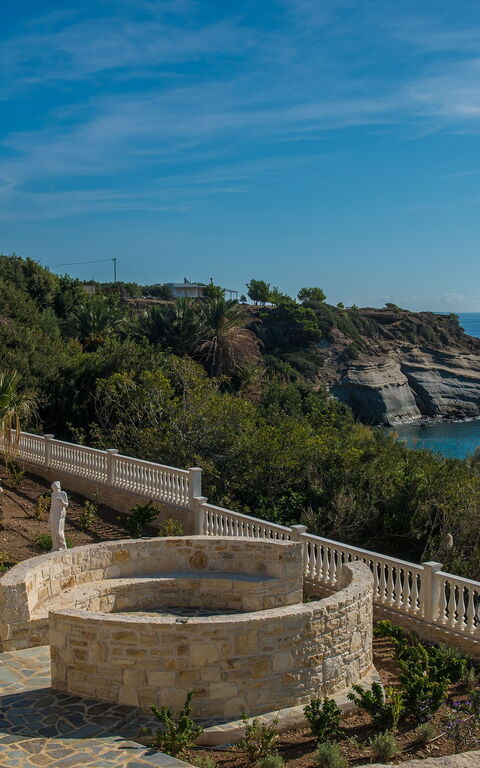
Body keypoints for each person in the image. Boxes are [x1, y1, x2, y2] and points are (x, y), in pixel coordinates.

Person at [48, 481, 69, 551]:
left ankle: (63, 546)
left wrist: (61, 501)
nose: (54, 489)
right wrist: (50, 517)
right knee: (53, 530)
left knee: (58, 530)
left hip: (60, 513)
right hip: (53, 512)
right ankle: (55, 546)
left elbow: (66, 505)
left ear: (57, 487)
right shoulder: (53, 494)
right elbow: (52, 505)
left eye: (54, 487)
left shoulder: (63, 493)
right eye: (53, 488)